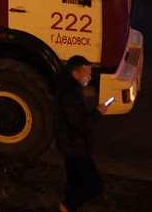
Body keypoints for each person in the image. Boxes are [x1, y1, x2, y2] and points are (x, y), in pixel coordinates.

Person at [55, 54, 103, 211]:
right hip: (75, 146)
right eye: (87, 74)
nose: (90, 78)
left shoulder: (68, 88)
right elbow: (80, 122)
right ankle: (66, 206)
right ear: (75, 73)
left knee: (74, 183)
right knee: (94, 185)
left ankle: (68, 207)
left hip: (70, 144)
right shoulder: (70, 94)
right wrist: (98, 112)